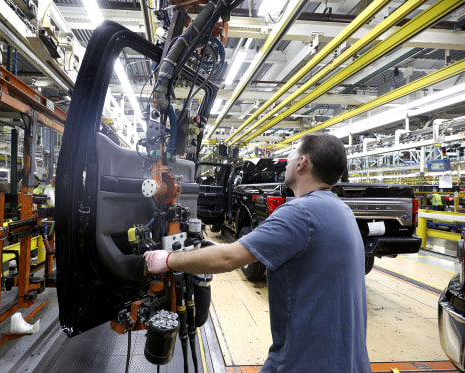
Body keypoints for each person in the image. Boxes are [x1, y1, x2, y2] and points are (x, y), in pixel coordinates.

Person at [144, 133, 371, 372]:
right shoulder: (342, 211)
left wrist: (167, 259)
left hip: (305, 363)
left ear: (301, 162)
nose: (287, 161)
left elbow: (228, 258)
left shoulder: (300, 213)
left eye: (290, 155)